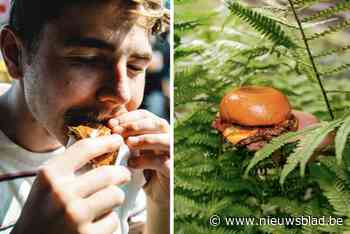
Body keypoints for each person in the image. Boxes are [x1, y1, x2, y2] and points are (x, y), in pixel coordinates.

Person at [0, 0, 170, 234]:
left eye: (134, 66)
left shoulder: (132, 158)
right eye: (88, 59)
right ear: (15, 55)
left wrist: (162, 205)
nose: (121, 94)